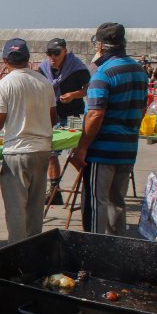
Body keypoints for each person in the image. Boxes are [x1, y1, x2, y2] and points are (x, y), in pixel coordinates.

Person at [68, 23, 148, 236]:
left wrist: (82, 148)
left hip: (102, 152)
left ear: (100, 45)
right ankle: (116, 251)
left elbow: (95, 114)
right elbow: (142, 108)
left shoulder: (103, 73)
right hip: (127, 149)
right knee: (116, 203)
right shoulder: (139, 71)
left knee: (96, 203)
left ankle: (93, 253)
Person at [0, 39, 56, 244]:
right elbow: (52, 117)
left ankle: (17, 255)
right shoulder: (44, 82)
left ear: (4, 60)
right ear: (28, 60)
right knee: (35, 207)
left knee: (16, 210)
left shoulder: (4, 85)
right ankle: (34, 250)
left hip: (17, 152)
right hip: (42, 150)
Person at [38, 38, 89, 205]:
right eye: (49, 53)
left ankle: (88, 182)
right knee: (50, 153)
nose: (53, 57)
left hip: (73, 115)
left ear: (65, 52)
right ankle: (54, 191)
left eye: (56, 53)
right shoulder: (43, 69)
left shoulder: (77, 68)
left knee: (74, 153)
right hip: (52, 116)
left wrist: (73, 95)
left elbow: (89, 89)